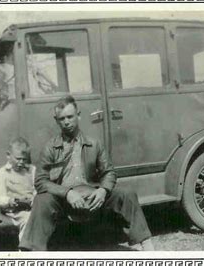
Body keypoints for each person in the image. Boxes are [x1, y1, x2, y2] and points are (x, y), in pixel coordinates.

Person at [18, 95, 154, 251]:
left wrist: (103, 190)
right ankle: (31, 252)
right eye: (61, 118)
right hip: (64, 201)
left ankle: (146, 243)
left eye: (70, 116)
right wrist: (67, 193)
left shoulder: (94, 143)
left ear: (79, 115)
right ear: (56, 121)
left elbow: (109, 172)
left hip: (93, 197)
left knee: (127, 193)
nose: (66, 121)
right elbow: (41, 181)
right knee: (41, 200)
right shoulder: (50, 147)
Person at [0, 137, 36, 242]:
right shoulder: (2, 173)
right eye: (18, 159)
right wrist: (10, 201)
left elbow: (37, 189)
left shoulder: (32, 170)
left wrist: (33, 199)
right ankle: (25, 249)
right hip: (13, 211)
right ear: (8, 155)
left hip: (31, 207)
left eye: (24, 159)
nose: (21, 162)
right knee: (28, 219)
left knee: (42, 217)